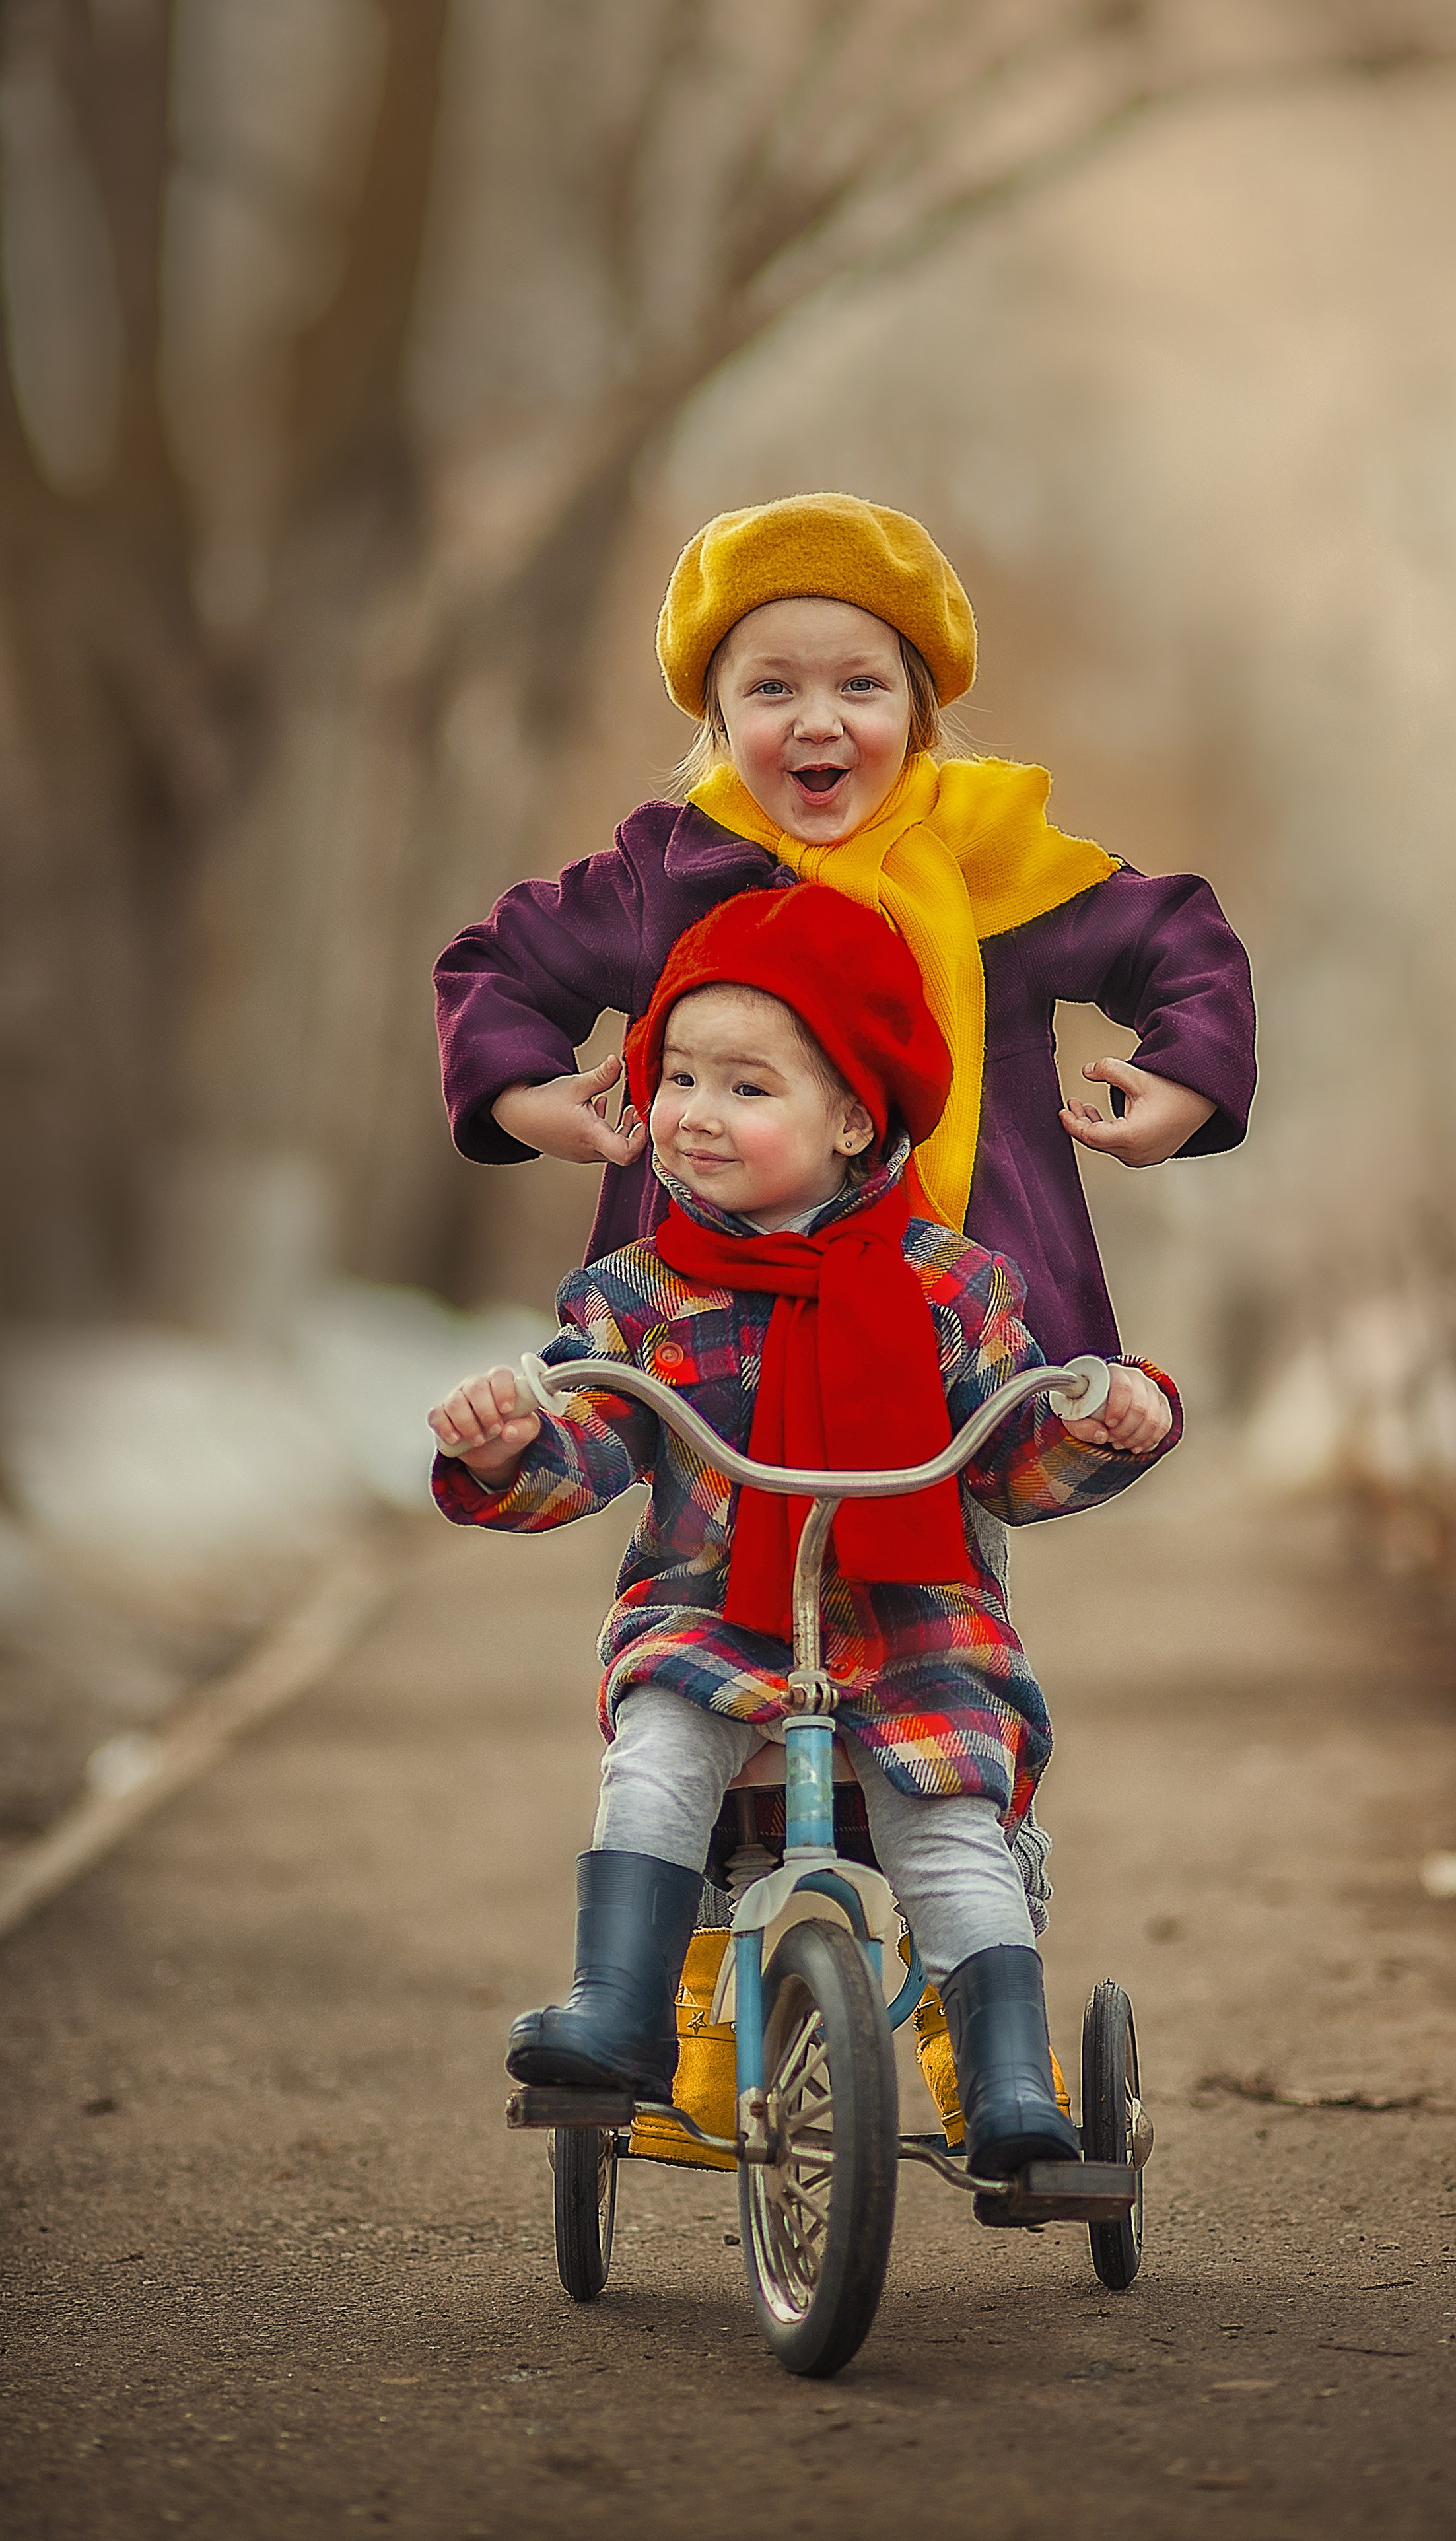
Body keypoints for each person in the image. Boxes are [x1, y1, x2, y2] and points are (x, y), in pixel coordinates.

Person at [428, 887, 1181, 2180]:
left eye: (745, 1086)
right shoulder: (636, 1296)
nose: (695, 1112)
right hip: (711, 1613)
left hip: (910, 1629)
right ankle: (620, 2013)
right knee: (656, 1748)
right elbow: (588, 1442)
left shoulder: (953, 1283)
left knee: (949, 1822)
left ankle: (1005, 2080)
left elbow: (1009, 1454)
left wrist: (1107, 1414)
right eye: (676, 1077)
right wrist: (503, 1445)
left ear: (850, 1118)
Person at [433, 489, 1256, 1369]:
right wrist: (523, 1098)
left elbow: (1176, 940)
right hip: (711, 1325)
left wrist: (1186, 1080)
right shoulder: (670, 876)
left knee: (944, 1501)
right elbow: (498, 967)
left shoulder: (991, 860)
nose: (816, 720)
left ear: (919, 712)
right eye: (772, 687)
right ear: (717, 718)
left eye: (860, 685)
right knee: (705, 1498)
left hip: (961, 1328)